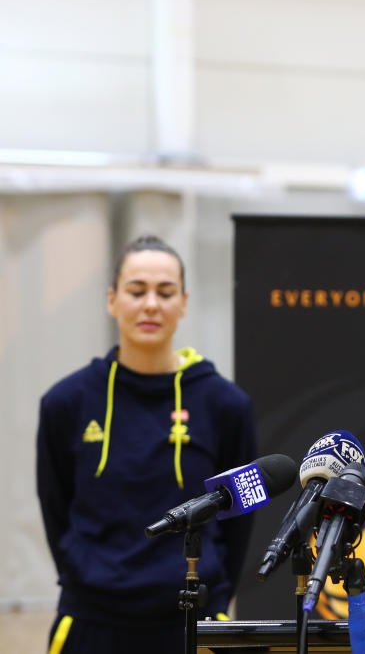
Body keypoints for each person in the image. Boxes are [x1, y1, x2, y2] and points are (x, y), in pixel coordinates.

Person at [36, 234, 258, 653]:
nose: (151, 304)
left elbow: (240, 520)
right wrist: (88, 575)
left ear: (184, 301)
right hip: (91, 621)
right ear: (112, 300)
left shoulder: (227, 405)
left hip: (195, 622)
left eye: (165, 292)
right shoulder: (65, 402)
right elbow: (55, 509)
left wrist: (213, 589)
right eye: (137, 291)